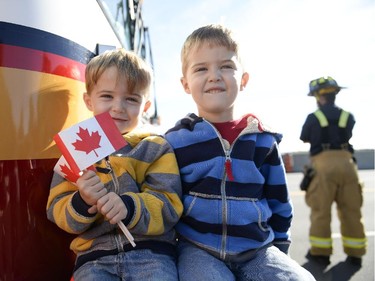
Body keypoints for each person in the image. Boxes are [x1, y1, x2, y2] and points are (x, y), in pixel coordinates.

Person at [165, 24, 315, 281]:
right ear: (186, 84)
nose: (214, 76)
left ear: (243, 80)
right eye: (201, 68)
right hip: (198, 250)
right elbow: (165, 201)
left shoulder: (263, 141)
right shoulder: (175, 141)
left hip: (257, 250)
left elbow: (280, 202)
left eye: (226, 66)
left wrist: (280, 249)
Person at [46, 48, 183, 281]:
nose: (118, 107)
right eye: (107, 96)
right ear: (89, 101)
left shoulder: (155, 147)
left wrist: (129, 207)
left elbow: (169, 205)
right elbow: (56, 210)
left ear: (145, 106)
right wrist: (82, 202)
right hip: (93, 259)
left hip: (151, 255)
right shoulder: (75, 150)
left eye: (131, 98)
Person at [300, 76, 367, 266]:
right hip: (347, 163)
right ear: (334, 94)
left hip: (323, 165)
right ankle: (356, 253)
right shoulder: (348, 116)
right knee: (352, 210)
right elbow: (349, 133)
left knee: (321, 211)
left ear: (318, 97)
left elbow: (304, 137)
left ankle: (321, 254)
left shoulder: (314, 118)